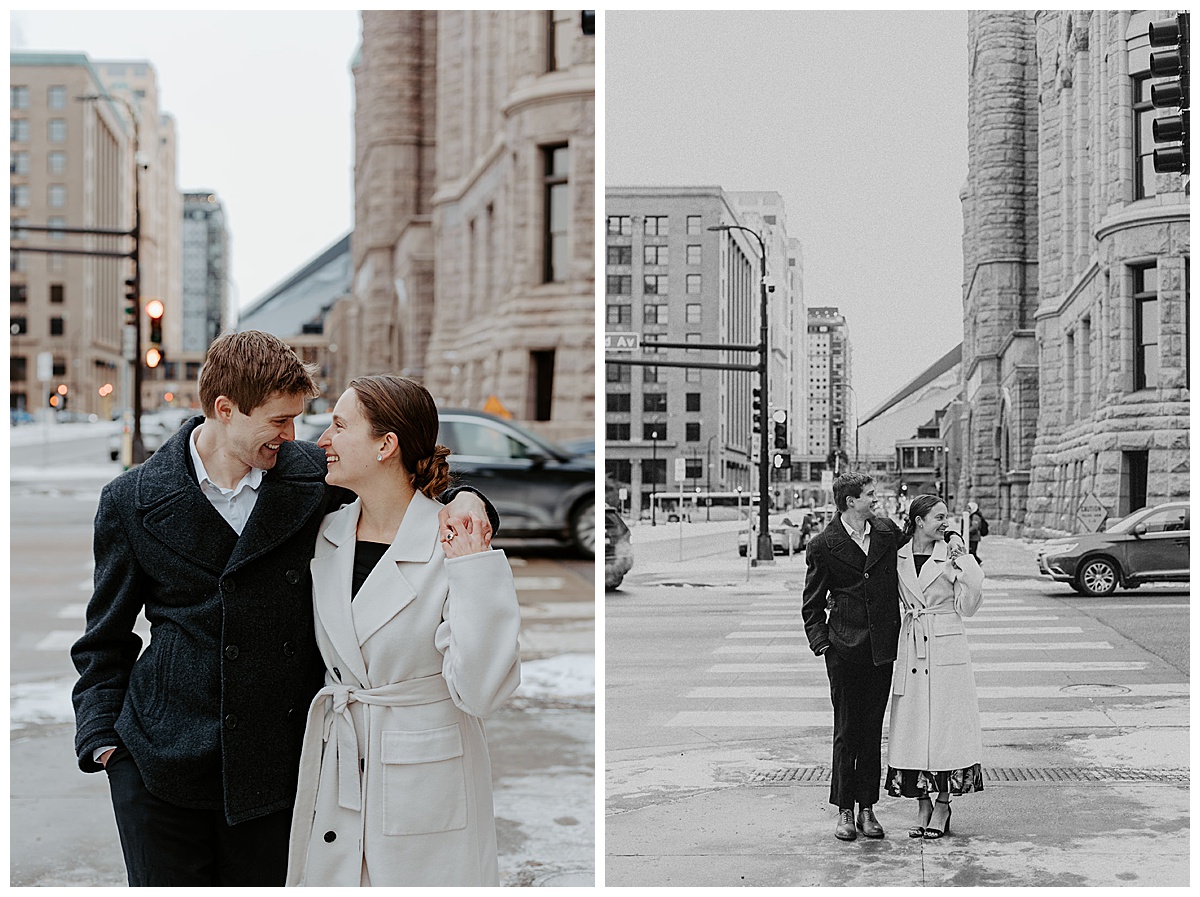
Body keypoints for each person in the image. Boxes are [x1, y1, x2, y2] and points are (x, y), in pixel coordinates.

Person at [71, 331, 497, 887]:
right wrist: (106, 745)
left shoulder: (306, 475)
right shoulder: (131, 500)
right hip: (160, 763)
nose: (294, 435)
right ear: (225, 410)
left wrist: (468, 500)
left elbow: (401, 494)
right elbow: (104, 638)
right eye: (278, 421)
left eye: (299, 418)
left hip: (281, 767)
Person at [286, 374, 521, 886]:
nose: (322, 441)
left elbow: (482, 691)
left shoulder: (453, 543)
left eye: (340, 426)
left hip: (428, 782)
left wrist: (473, 567)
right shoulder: (325, 533)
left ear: (385, 446)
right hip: (339, 770)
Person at [801, 472, 902, 841]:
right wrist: (823, 645)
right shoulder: (823, 545)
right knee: (847, 730)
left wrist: (952, 535)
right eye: (869, 495)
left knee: (872, 730)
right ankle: (844, 808)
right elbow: (811, 604)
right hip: (844, 649)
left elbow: (918, 544)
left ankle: (867, 808)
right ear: (850, 502)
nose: (875, 499)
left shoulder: (887, 533)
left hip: (881, 651)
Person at [884, 493, 985, 840]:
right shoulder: (898, 554)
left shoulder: (950, 555)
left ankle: (943, 803)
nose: (946, 523)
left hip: (945, 643)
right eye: (939, 518)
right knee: (913, 728)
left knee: (947, 728)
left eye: (947, 517)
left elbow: (970, 604)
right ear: (919, 521)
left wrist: (964, 559)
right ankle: (922, 802)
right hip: (913, 643)